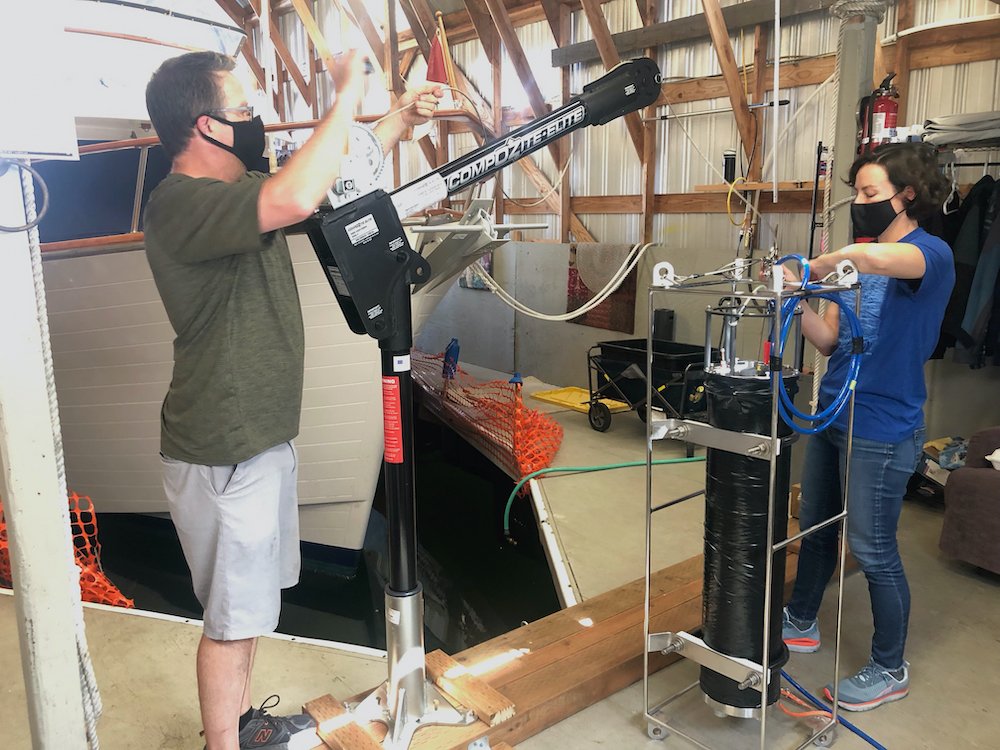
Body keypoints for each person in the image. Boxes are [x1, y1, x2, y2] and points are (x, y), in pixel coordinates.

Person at [142, 51, 441, 749]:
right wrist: (347, 90)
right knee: (229, 622)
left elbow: (327, 166)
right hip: (223, 446)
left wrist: (398, 115)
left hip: (259, 435)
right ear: (204, 126)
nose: (257, 121)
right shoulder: (182, 204)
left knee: (248, 611)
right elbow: (298, 196)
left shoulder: (244, 186)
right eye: (244, 110)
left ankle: (243, 726)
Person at [780, 143, 954, 712]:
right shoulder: (859, 261)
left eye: (870, 193)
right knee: (817, 526)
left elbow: (875, 261)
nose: (860, 202)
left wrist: (819, 264)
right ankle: (801, 619)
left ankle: (889, 667)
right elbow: (829, 340)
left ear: (907, 196)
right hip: (834, 410)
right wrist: (798, 297)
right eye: (856, 193)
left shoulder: (930, 254)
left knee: (873, 547)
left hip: (883, 425)